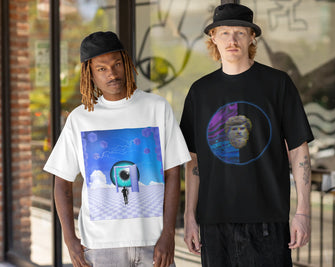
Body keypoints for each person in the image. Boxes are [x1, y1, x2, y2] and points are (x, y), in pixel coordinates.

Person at [180, 3, 314, 266]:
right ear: (214, 38)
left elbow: (299, 150)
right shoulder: (200, 92)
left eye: (240, 32)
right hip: (214, 222)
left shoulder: (277, 83)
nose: (232, 40)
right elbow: (192, 159)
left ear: (252, 37)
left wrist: (303, 212)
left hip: (267, 221)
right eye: (225, 33)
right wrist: (189, 217)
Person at [44, 31, 190, 267]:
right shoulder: (80, 119)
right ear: (89, 74)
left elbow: (173, 173)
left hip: (153, 244)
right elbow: (61, 183)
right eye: (101, 68)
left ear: (127, 64)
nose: (111, 73)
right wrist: (70, 240)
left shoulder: (156, 108)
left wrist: (169, 234)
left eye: (117, 64)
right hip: (100, 248)